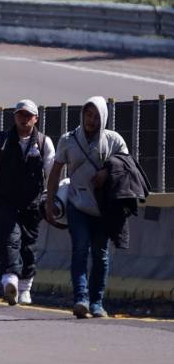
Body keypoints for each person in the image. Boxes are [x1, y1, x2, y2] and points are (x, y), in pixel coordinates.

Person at [45, 96, 129, 319]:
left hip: (103, 209)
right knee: (80, 250)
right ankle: (80, 299)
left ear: (103, 118)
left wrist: (107, 171)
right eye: (88, 114)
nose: (91, 120)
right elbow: (55, 173)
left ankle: (97, 302)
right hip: (77, 205)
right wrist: (49, 200)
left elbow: (128, 166)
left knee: (100, 254)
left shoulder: (114, 141)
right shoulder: (68, 140)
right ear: (82, 114)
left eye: (96, 116)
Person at [0, 99, 55, 306]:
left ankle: (25, 288)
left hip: (31, 206)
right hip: (3, 201)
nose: (24, 119)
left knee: (28, 245)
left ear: (36, 118)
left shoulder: (44, 143)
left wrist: (53, 199)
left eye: (28, 115)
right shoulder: (0, 141)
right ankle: (10, 280)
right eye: (20, 115)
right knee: (10, 238)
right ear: (14, 117)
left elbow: (52, 176)